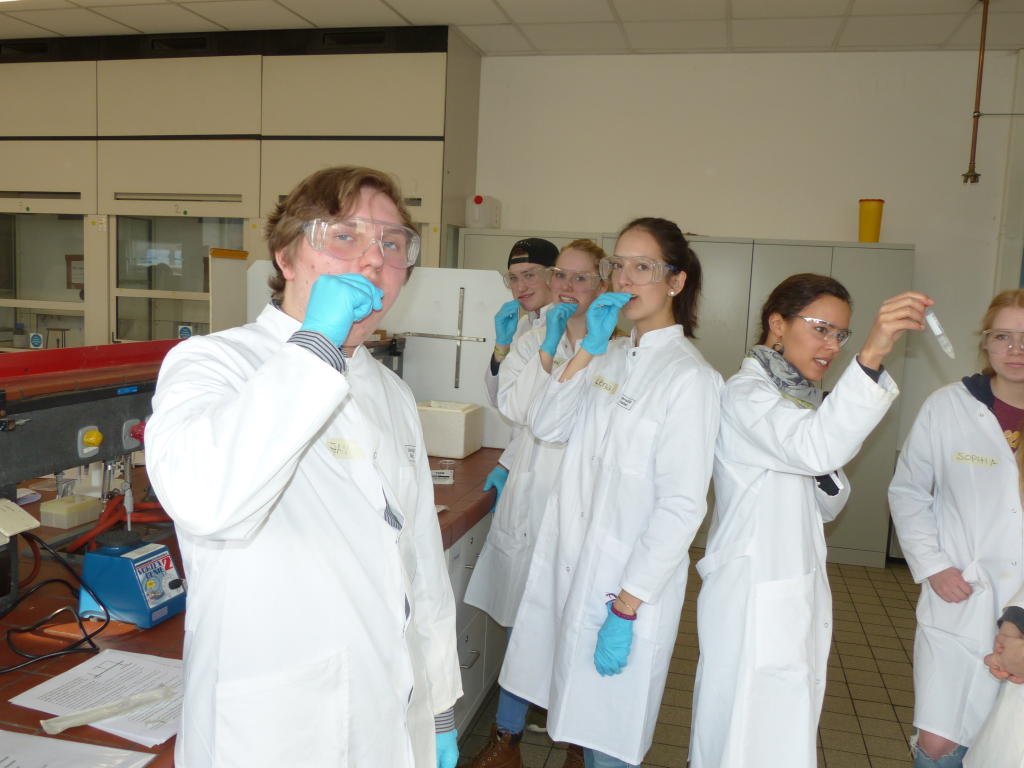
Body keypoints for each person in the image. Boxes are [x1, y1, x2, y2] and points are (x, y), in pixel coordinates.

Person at [145, 166, 462, 768]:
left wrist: (440, 700)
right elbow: (206, 500)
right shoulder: (213, 363)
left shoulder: (390, 392)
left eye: (392, 244)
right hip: (277, 730)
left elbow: (419, 558)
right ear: (286, 256)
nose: (374, 259)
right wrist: (318, 343)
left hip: (391, 714)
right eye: (344, 236)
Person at [500, 218, 722, 768]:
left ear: (676, 281)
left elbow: (682, 505)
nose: (625, 278)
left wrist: (626, 607)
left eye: (643, 267)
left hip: (624, 589)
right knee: (574, 713)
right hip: (572, 568)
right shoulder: (610, 353)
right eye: (618, 266)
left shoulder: (691, 379)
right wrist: (586, 353)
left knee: (608, 739)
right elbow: (547, 425)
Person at [690, 274, 930, 768]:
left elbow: (826, 500)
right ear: (778, 324)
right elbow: (816, 448)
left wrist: (821, 460)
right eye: (822, 329)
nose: (833, 346)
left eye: (841, 335)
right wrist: (872, 353)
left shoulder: (798, 399)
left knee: (773, 726)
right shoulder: (747, 394)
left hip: (785, 580)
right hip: (753, 588)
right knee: (742, 728)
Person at [464, 239, 607, 768]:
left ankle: (576, 742)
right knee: (526, 623)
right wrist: (536, 350)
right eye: (562, 276)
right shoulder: (533, 339)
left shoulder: (618, 348)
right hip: (533, 490)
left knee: (579, 625)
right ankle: (506, 739)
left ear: (603, 284)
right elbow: (518, 409)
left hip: (586, 499)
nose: (567, 287)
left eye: (580, 278)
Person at [889, 289, 1024, 768]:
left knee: (1004, 743)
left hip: (1022, 610)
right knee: (938, 741)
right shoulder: (948, 406)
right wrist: (933, 565)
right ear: (985, 342)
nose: (1015, 349)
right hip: (960, 597)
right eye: (1003, 336)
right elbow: (909, 491)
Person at [482, 238, 558, 514]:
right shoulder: (524, 326)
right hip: (521, 460)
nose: (520, 287)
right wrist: (501, 346)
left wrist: (506, 464)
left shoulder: (566, 330)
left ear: (553, 276)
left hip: (547, 464)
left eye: (529, 275)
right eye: (513, 278)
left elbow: (541, 414)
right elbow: (499, 399)